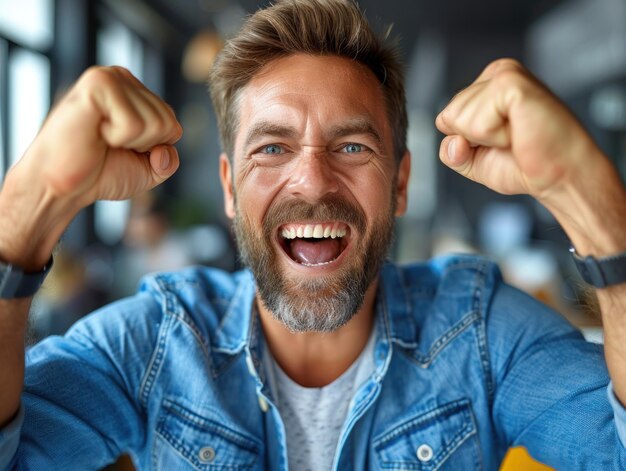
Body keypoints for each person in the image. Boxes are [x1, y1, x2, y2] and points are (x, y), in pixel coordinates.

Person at [1, 0, 625, 469]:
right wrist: (25, 215)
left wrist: (597, 208)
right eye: (272, 146)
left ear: (401, 184)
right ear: (227, 187)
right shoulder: (155, 343)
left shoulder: (482, 331)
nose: (312, 180)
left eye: (352, 145)